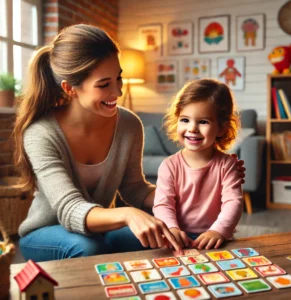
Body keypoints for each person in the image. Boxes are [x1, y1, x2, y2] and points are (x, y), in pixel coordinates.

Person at [13, 24, 244, 262]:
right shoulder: (40, 132)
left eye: (118, 78)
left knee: (172, 238)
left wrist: (201, 185)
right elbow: (69, 210)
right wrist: (128, 215)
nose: (118, 91)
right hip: (46, 233)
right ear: (70, 89)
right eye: (104, 84)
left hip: (99, 231)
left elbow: (134, 188)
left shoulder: (128, 124)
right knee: (88, 247)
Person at [153, 79, 244, 251]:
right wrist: (172, 228)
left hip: (216, 237)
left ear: (222, 128)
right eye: (185, 120)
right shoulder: (169, 165)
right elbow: (163, 204)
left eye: (203, 122)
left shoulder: (227, 165)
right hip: (178, 236)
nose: (192, 128)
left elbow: (233, 203)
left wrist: (218, 231)